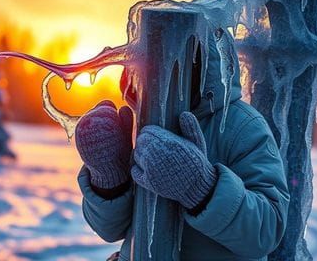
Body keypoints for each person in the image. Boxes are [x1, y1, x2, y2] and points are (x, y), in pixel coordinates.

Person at [74, 31, 289, 260]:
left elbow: (267, 231)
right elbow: (109, 229)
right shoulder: (146, 118)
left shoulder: (242, 125)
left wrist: (202, 190)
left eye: (172, 61)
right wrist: (109, 180)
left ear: (204, 66)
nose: (159, 73)